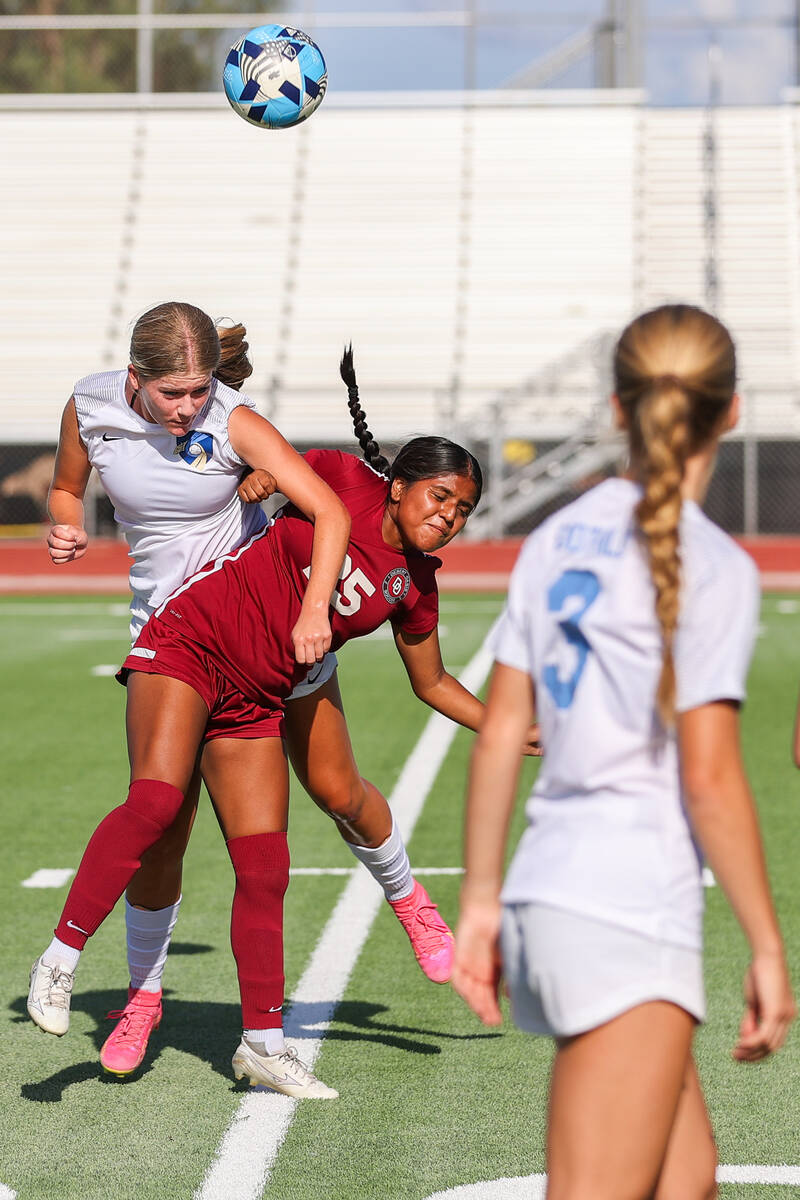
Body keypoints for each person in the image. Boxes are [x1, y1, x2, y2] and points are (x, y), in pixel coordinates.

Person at [29, 347, 537, 1100]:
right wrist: (257, 475)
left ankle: (297, 1011)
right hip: (199, 638)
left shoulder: (415, 583)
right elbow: (266, 476)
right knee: (161, 816)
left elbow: (430, 681)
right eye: (439, 498)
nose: (450, 517)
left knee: (299, 831)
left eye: (462, 510)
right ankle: (104, 978)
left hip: (280, 679)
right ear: (396, 487)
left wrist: (503, 726)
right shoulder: (335, 477)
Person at [451, 304, 795, 1199]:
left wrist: (484, 902)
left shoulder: (556, 535)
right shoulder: (714, 564)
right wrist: (766, 945)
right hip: (627, 909)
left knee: (689, 1179)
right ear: (731, 411)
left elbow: (499, 732)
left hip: (554, 891)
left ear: (615, 409)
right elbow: (711, 777)